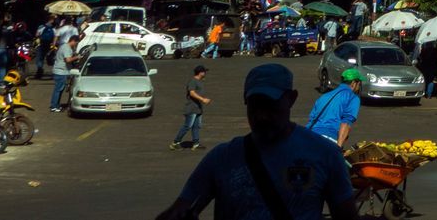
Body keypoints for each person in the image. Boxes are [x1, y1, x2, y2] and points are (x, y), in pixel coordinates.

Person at [155, 62, 359, 220]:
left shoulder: (325, 155)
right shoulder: (221, 158)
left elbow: (346, 215)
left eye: (271, 105)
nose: (262, 116)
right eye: (255, 105)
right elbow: (179, 208)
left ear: (291, 99)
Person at [304, 68, 363, 147]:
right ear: (353, 83)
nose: (359, 87)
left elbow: (312, 119)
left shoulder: (324, 96)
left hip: (309, 136)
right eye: (359, 84)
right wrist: (338, 147)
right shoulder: (352, 97)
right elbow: (346, 123)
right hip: (328, 139)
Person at [172, 65, 210, 150]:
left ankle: (196, 143)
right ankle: (175, 143)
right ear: (200, 73)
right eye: (204, 71)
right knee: (187, 126)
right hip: (191, 108)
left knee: (196, 126)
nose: (205, 73)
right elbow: (192, 93)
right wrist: (203, 99)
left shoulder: (199, 81)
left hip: (198, 108)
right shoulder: (193, 81)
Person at [49, 22, 78, 112]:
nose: (76, 45)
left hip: (61, 71)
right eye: (76, 43)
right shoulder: (66, 48)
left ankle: (56, 105)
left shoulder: (64, 47)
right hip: (60, 72)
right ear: (73, 41)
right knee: (58, 89)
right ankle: (54, 106)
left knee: (60, 89)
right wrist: (76, 57)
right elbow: (68, 60)